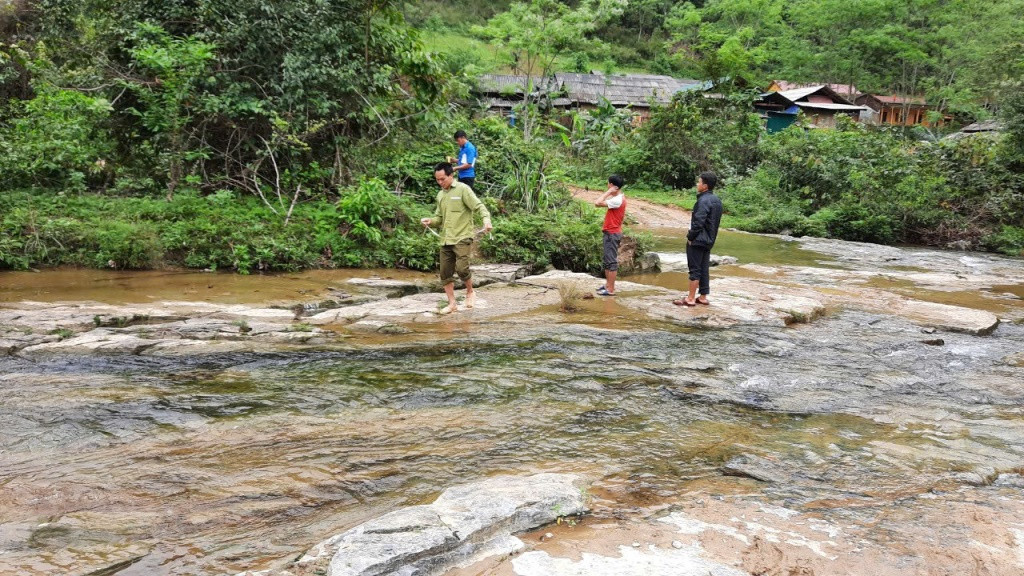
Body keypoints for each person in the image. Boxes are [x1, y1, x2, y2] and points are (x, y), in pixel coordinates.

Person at [421, 162, 492, 315]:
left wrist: (486, 220)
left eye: (443, 179)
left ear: (451, 175)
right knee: (445, 273)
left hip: (462, 236)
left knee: (462, 268)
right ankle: (452, 303)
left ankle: (470, 292)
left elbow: (479, 206)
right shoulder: (440, 195)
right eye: (437, 180)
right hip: (446, 238)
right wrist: (431, 221)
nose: (440, 182)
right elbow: (439, 218)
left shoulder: (463, 189)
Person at [674, 172, 723, 307]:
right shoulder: (717, 201)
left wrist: (690, 237)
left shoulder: (703, 201)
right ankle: (702, 297)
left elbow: (698, 222)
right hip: (709, 240)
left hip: (698, 240)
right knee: (704, 268)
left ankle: (690, 298)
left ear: (705, 186)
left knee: (695, 269)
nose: (697, 184)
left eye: (699, 182)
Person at [594, 174, 626, 296]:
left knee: (611, 262)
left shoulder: (617, 200)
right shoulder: (617, 198)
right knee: (607, 261)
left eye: (608, 183)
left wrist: (608, 192)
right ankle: (608, 285)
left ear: (612, 185)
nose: (607, 185)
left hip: (612, 233)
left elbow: (597, 203)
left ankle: (610, 289)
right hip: (610, 232)